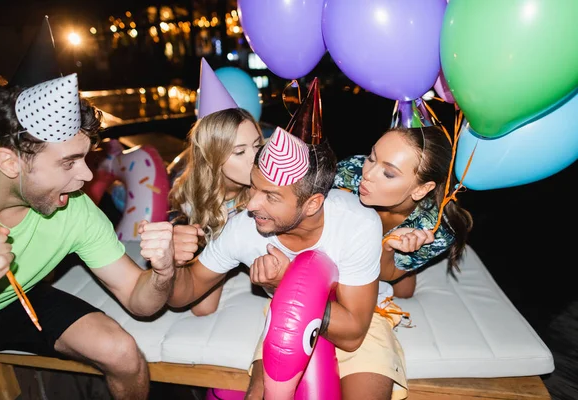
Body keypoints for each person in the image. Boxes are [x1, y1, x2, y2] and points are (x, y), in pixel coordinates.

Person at [169, 127, 408, 400]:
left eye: (270, 196)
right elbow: (185, 292)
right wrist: (167, 264)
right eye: (253, 187)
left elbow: (353, 334)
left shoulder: (356, 222)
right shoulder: (242, 229)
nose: (251, 205)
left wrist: (287, 282)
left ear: (311, 204)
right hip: (286, 315)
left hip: (364, 315)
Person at [0, 74, 175, 400]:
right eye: (69, 162)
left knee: (123, 352)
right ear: (9, 163)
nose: (86, 175)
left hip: (19, 300)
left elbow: (138, 300)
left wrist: (163, 272)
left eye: (84, 158)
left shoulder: (75, 209)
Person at [333, 125, 473, 298]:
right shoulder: (349, 173)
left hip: (387, 258)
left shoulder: (436, 229)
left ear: (421, 189)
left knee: (404, 292)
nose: (368, 174)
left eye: (388, 173)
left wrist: (388, 246)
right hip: (348, 239)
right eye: (372, 157)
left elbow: (385, 275)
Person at [169, 107, 263, 315]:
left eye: (257, 146)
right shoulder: (191, 196)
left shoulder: (268, 183)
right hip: (216, 245)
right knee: (203, 309)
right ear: (213, 158)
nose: (255, 158)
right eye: (239, 152)